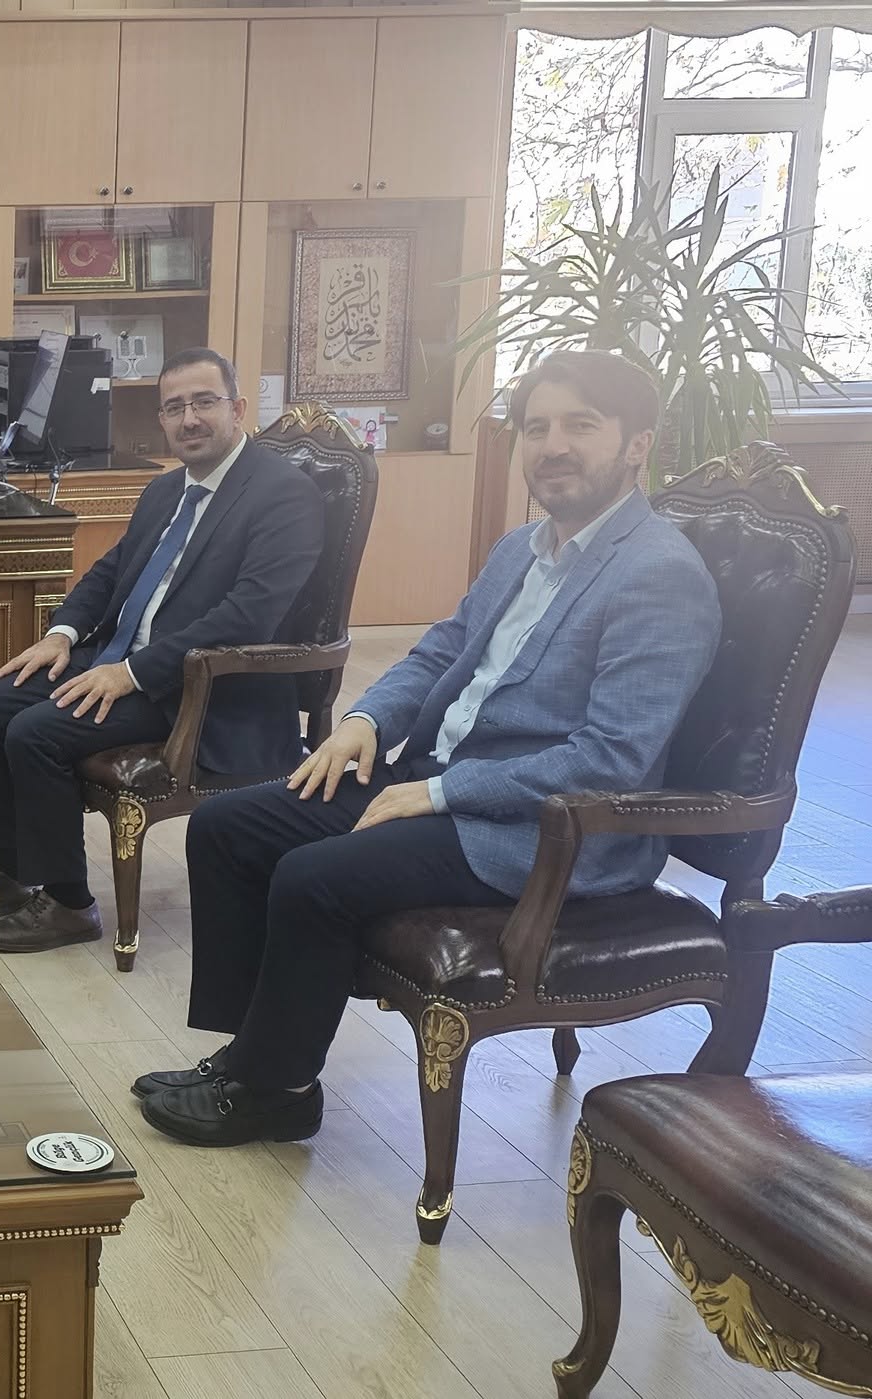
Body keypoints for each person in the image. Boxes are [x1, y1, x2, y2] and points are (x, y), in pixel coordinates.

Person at [133, 350, 723, 1147]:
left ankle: (277, 1088)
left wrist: (442, 792)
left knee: (313, 874)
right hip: (438, 774)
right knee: (228, 827)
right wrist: (366, 722)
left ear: (636, 444)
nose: (553, 446)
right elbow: (439, 651)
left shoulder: (658, 574)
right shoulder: (522, 548)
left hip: (543, 828)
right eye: (537, 428)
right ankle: (252, 1060)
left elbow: (610, 759)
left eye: (580, 426)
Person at [0, 348, 326, 953]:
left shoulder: (284, 494)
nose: (189, 419)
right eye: (174, 408)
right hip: (121, 657)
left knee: (36, 733)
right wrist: (61, 635)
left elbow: (249, 614)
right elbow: (110, 571)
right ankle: (16, 872)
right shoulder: (166, 489)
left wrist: (131, 672)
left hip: (204, 689)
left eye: (204, 403)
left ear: (237, 409)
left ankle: (69, 905)